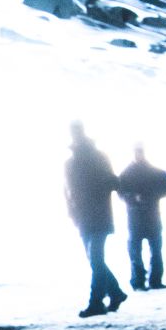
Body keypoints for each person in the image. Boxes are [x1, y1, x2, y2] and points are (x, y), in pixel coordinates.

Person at [64, 123, 126, 317]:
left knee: (96, 258)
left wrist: (73, 209)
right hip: (90, 215)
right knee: (94, 259)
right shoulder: (87, 159)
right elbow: (68, 191)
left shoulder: (87, 159)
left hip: (95, 215)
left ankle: (97, 301)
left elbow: (112, 182)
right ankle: (115, 293)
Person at [116, 145, 166, 291]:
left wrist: (135, 198)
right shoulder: (152, 172)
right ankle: (149, 280)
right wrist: (148, 197)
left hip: (139, 216)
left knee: (143, 249)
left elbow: (121, 192)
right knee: (149, 249)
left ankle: (142, 281)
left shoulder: (126, 174)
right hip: (146, 215)